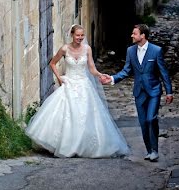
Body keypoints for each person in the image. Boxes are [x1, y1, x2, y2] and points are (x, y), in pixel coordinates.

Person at [25, 25, 129, 158]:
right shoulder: (64, 48)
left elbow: (91, 68)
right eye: (77, 35)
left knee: (85, 116)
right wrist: (59, 78)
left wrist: (100, 75)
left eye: (82, 35)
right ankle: (65, 144)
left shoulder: (87, 49)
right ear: (72, 35)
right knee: (66, 114)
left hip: (83, 85)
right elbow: (52, 63)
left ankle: (83, 145)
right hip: (69, 83)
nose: (80, 38)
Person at [108, 24, 173, 162]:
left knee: (151, 119)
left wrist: (169, 92)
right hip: (139, 92)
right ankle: (149, 150)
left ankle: (155, 150)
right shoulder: (130, 51)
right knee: (143, 123)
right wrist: (112, 78)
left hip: (154, 91)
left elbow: (163, 72)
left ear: (142, 35)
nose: (132, 36)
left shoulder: (156, 51)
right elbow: (126, 71)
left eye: (134, 33)